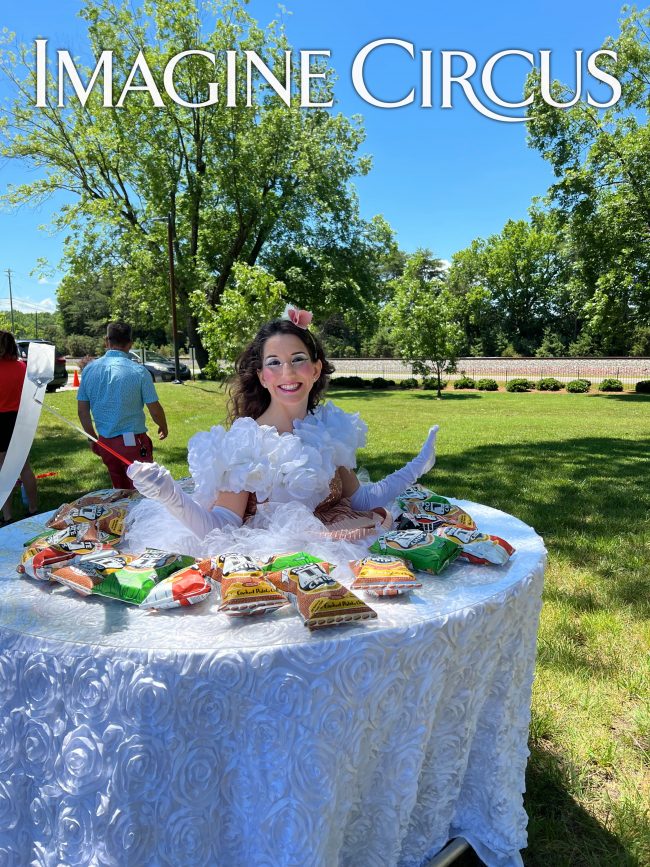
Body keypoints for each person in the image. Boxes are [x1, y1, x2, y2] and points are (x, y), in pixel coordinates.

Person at [124, 306, 438, 563]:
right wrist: (169, 495)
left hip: (342, 552)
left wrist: (417, 466)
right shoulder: (245, 444)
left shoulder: (329, 429)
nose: (287, 372)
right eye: (274, 363)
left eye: (297, 360)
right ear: (262, 376)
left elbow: (361, 500)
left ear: (316, 370)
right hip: (271, 566)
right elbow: (218, 529)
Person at [77, 321, 169, 490]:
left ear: (107, 341)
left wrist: (92, 438)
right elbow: (154, 408)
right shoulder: (139, 371)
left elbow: (82, 411)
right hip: (133, 443)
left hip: (106, 443)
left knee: (120, 492)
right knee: (145, 493)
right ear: (130, 343)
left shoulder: (89, 370)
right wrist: (163, 425)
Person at [0, 330, 39, 525]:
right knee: (24, 468)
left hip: (1, 420)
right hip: (21, 419)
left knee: (2, 470)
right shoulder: (22, 367)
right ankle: (33, 509)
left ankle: (7, 515)